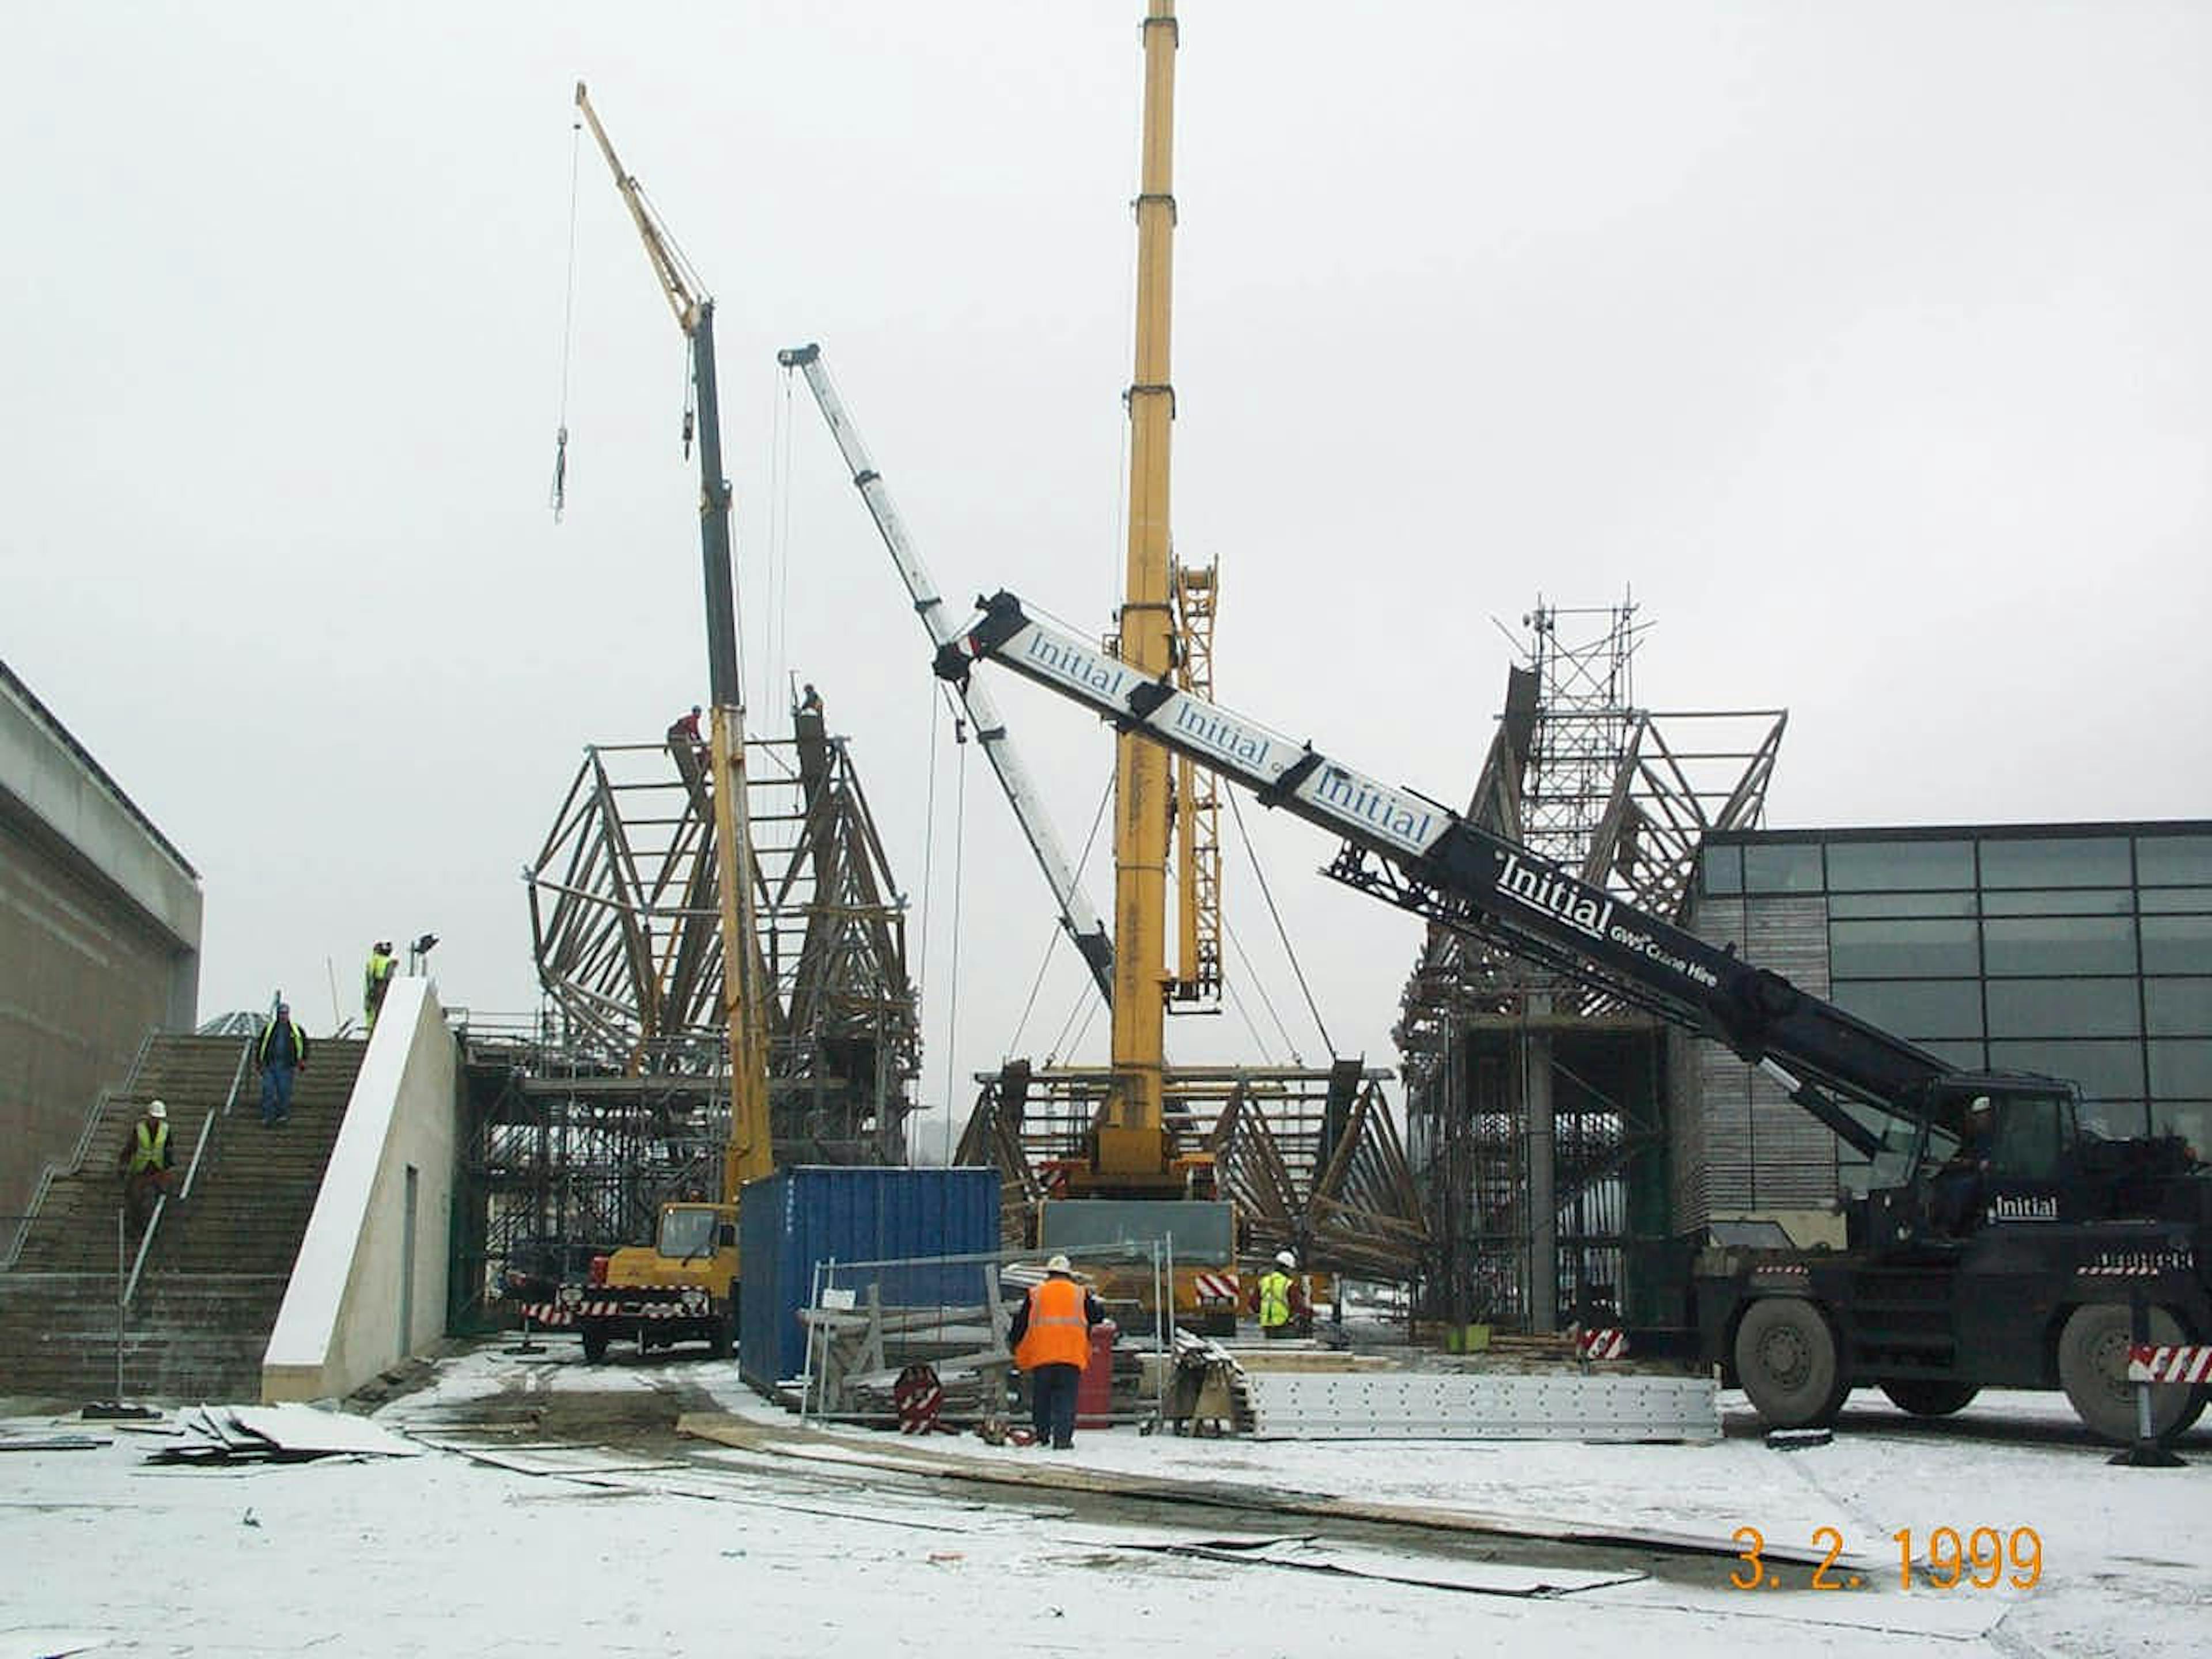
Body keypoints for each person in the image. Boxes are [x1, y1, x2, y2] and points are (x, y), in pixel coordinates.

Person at [1007, 1254, 1104, 1450]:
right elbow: (1097, 1317)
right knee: (1066, 1399)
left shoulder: (1036, 1293)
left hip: (1042, 1355)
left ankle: (1043, 1435)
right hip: (1071, 1355)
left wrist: (1015, 1345)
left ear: (1048, 1274)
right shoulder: (1080, 1293)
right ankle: (1063, 1440)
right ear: (1069, 1274)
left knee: (1042, 1398)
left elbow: (1020, 1324)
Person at [1930, 1095, 1997, 1236]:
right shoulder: (1977, 1136)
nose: (1977, 1119)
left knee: (1960, 1186)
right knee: (1942, 1181)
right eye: (1976, 1116)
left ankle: (1952, 1227)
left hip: (1986, 1177)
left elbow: (1987, 1161)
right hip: (1973, 1172)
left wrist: (1971, 1163)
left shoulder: (1995, 1136)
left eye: (1981, 1115)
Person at [117, 1099, 178, 1230]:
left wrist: (169, 1167)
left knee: (161, 1197)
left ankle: (156, 1227)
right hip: (141, 1170)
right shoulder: (139, 1129)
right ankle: (137, 1227)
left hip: (158, 1170)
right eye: (154, 1118)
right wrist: (123, 1164)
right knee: (135, 1198)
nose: (156, 1121)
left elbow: (169, 1149)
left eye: (158, 1118)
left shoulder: (165, 1130)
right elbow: (130, 1147)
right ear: (149, 1116)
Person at [256, 1003, 311, 1127]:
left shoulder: (296, 1029)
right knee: (268, 1089)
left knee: (284, 1091)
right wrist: (259, 1062)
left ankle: (282, 1115)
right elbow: (261, 1045)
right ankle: (267, 1116)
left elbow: (304, 1044)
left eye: (285, 1013)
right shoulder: (269, 1029)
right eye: (281, 1013)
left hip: (287, 1066)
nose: (283, 1016)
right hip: (270, 1064)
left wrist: (303, 1060)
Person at [1254, 1249, 1312, 1339]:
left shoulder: (1264, 1282)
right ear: (1286, 1268)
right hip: (1284, 1326)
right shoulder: (1288, 1284)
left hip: (1267, 1327)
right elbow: (1297, 1306)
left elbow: (1254, 1305)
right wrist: (1309, 1313)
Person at [363, 941, 396, 1033]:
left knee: (373, 1014)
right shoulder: (387, 961)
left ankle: (372, 1033)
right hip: (380, 988)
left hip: (377, 988)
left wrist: (371, 991)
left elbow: (370, 977)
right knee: (377, 1013)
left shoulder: (375, 960)